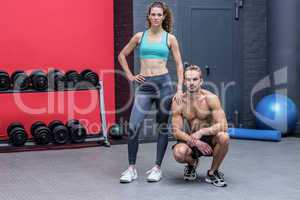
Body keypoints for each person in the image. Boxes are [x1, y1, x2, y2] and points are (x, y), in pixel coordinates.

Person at [118, 1, 184, 183]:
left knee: (162, 126)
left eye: (159, 15)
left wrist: (179, 88)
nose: (156, 17)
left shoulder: (169, 38)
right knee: (133, 126)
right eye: (153, 14)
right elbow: (122, 55)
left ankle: (157, 168)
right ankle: (131, 168)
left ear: (163, 17)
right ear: (148, 16)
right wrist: (131, 76)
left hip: (164, 84)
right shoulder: (140, 36)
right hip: (145, 86)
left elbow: (179, 64)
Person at [171, 65, 230, 187]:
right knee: (179, 153)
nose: (191, 83)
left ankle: (212, 172)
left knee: (224, 137)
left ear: (201, 81)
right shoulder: (179, 101)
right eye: (188, 79)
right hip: (192, 139)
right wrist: (195, 141)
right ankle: (192, 164)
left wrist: (202, 132)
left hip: (210, 139)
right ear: (184, 81)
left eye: (195, 79)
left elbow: (224, 125)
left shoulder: (211, 98)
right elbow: (176, 131)